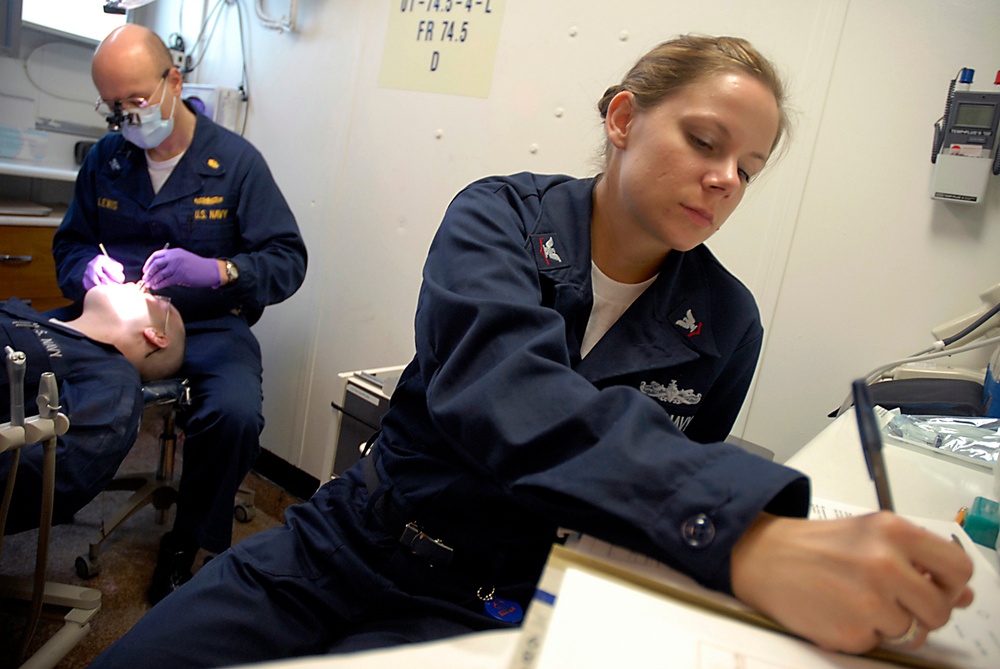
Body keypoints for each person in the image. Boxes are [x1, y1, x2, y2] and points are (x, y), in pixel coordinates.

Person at [90, 35, 973, 668]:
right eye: (705, 142)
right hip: (350, 543)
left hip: (496, 596)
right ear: (623, 117)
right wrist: (741, 536)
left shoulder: (725, 323)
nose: (724, 179)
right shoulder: (500, 218)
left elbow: (645, 490)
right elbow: (499, 390)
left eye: (749, 166)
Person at [51, 24, 308, 603]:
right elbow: (70, 244)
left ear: (174, 80)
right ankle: (45, 500)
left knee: (236, 414)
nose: (126, 118)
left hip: (212, 322)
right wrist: (84, 274)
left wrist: (219, 272)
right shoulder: (106, 161)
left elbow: (287, 260)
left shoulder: (237, 163)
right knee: (26, 357)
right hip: (116, 319)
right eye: (113, 107)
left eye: (137, 100)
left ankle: (188, 542)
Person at [1, 283, 184, 535]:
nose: (135, 282)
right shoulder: (29, 315)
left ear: (156, 335)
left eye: (152, 298)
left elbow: (55, 474)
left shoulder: (113, 380)